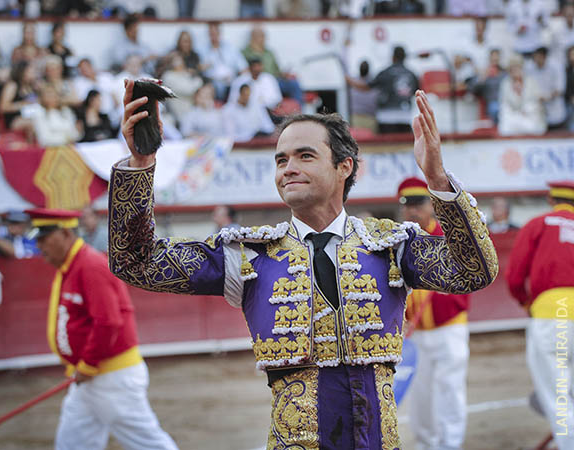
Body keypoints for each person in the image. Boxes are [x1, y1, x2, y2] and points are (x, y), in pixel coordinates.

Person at [108, 80, 498, 448]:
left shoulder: (390, 246)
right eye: (281, 159)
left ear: (345, 167)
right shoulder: (247, 255)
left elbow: (474, 270)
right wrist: (140, 165)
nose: (288, 168)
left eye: (305, 155)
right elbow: (137, 262)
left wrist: (438, 182)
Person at [26, 207, 178, 450]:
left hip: (110, 376)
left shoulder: (90, 265)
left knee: (146, 442)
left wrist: (88, 364)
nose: (40, 246)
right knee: (73, 441)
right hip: (91, 376)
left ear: (65, 234)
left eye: (44, 239)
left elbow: (108, 321)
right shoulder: (73, 265)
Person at [397, 176, 471, 450]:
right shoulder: (401, 241)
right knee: (420, 395)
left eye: (418, 204)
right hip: (414, 334)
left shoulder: (449, 237)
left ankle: (449, 446)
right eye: (407, 205)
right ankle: (427, 445)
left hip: (449, 327)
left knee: (449, 391)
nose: (412, 210)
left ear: (431, 205)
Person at [506, 181, 574, 450]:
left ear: (550, 199)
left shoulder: (537, 224)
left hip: (550, 314)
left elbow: (514, 277)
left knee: (557, 393)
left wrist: (526, 302)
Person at [346, 46, 419, 134]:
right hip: (405, 117)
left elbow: (365, 87)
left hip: (386, 117)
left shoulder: (385, 73)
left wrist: (348, 80)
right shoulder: (412, 74)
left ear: (393, 57)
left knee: (387, 146)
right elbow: (418, 93)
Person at [242, 25, 304, 107]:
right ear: (252, 37)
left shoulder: (269, 52)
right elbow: (244, 70)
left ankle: (298, 113)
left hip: (275, 80)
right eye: (259, 36)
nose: (262, 39)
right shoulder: (245, 52)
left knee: (294, 84)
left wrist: (284, 74)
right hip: (259, 82)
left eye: (263, 36)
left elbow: (277, 70)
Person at [498, 54, 546, 136]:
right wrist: (514, 114)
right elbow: (504, 104)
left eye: (517, 68)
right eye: (512, 69)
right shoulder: (505, 83)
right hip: (513, 117)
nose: (515, 71)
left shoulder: (531, 81)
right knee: (505, 128)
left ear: (521, 68)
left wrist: (526, 109)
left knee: (532, 126)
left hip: (529, 116)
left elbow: (536, 101)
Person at [200, 21, 248, 101]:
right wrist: (204, 66)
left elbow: (243, 67)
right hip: (211, 83)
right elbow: (198, 68)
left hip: (230, 83)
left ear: (220, 33)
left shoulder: (231, 48)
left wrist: (241, 80)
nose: (214, 36)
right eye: (211, 34)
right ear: (208, 34)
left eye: (216, 33)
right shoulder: (202, 50)